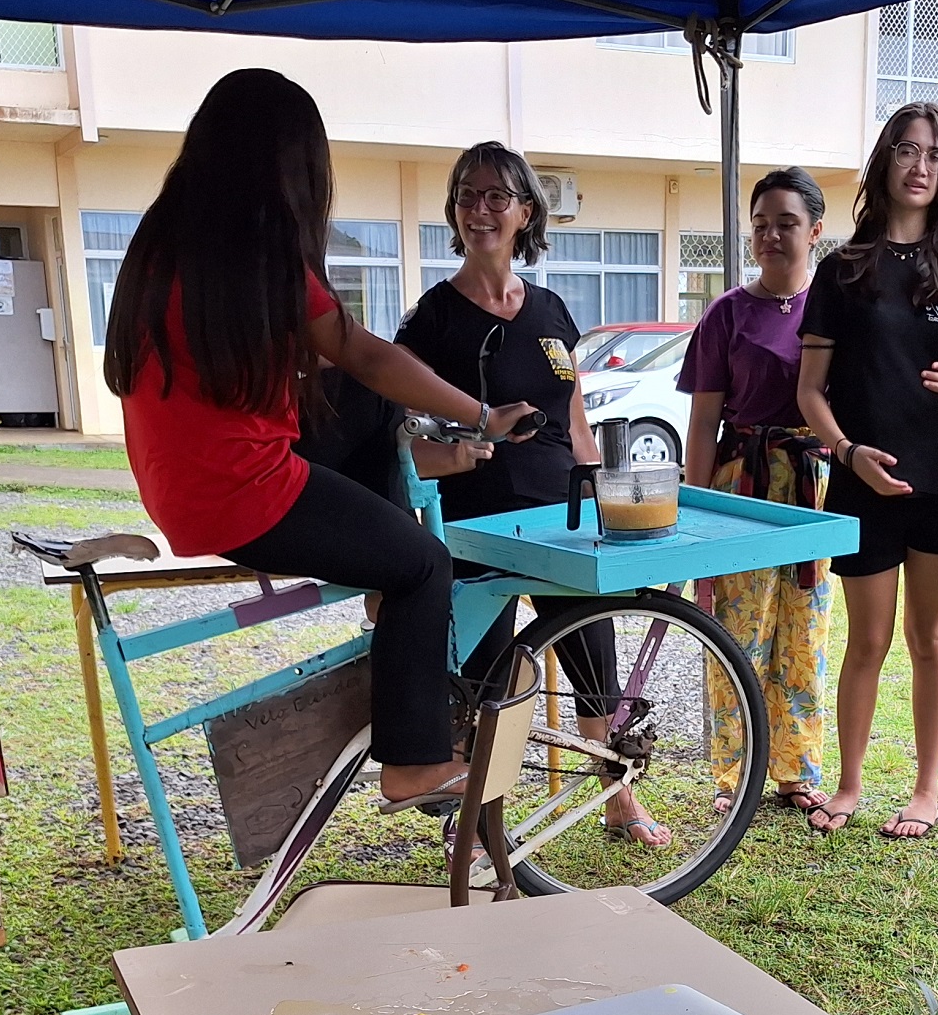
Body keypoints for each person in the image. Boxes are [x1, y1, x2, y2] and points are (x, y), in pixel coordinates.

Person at [108, 70, 536, 813]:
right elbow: (362, 349)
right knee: (425, 564)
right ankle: (413, 760)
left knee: (366, 401)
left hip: (183, 482)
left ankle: (383, 577)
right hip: (243, 489)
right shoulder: (261, 245)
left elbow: (350, 371)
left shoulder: (163, 236)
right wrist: (481, 413)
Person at [395, 140, 669, 845]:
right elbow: (402, 441)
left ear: (524, 212)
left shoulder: (550, 311)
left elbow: (576, 424)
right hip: (475, 521)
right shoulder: (432, 320)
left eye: (495, 197)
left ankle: (618, 796)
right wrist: (451, 460)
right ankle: (481, 820)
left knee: (592, 654)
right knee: (490, 679)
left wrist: (609, 507)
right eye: (466, 196)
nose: (479, 209)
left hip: (563, 517)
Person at [796, 102, 938, 838]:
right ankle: (848, 786)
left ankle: (925, 790)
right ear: (884, 162)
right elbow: (809, 392)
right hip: (863, 480)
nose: (920, 165)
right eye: (907, 150)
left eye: (935, 155)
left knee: (930, 638)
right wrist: (849, 454)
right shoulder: (842, 270)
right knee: (867, 642)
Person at [683, 167, 832, 817]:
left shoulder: (834, 309)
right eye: (762, 224)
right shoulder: (726, 314)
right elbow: (700, 422)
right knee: (738, 629)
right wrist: (692, 511)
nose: (771, 235)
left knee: (806, 626)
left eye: (787, 222)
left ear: (817, 231)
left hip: (810, 484)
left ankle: (796, 769)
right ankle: (734, 771)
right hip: (739, 479)